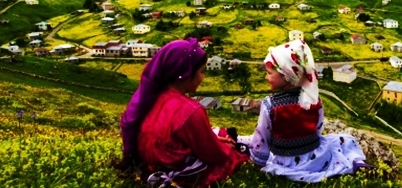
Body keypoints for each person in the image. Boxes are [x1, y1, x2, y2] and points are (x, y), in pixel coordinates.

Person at [115, 38, 249, 188]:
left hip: (147, 162)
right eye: (201, 71)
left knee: (217, 136)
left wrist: (214, 140)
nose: (203, 77)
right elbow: (210, 153)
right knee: (233, 153)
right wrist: (225, 148)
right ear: (185, 74)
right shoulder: (190, 110)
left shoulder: (150, 97)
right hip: (174, 168)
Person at [236, 39, 369, 183]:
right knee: (346, 140)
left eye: (269, 73)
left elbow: (261, 140)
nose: (266, 77)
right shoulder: (313, 99)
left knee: (247, 145)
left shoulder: (270, 105)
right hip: (317, 158)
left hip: (286, 163)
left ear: (287, 75)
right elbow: (318, 130)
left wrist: (258, 162)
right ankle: (356, 161)